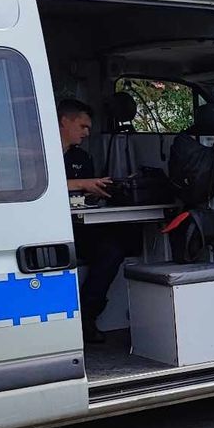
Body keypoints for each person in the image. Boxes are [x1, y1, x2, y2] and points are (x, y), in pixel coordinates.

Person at [59, 98, 133, 344]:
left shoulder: (81, 157)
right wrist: (81, 184)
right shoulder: (38, 153)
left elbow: (85, 192)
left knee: (112, 250)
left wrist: (97, 190)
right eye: (82, 126)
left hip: (77, 227)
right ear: (64, 122)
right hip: (43, 231)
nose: (87, 132)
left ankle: (87, 317)